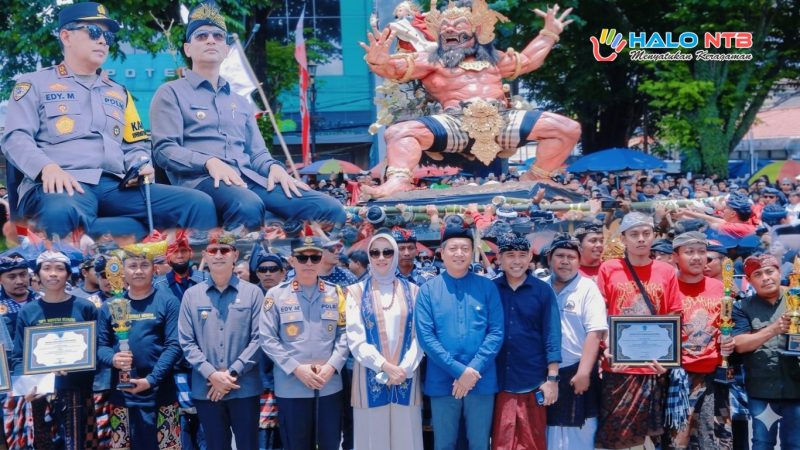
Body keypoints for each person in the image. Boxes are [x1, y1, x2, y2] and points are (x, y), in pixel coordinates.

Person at [0, 2, 217, 238]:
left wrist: (141, 165)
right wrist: (46, 168)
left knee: (198, 203)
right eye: (94, 32)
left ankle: (196, 270)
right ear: (66, 36)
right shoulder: (34, 84)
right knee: (61, 211)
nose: (103, 40)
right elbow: (15, 138)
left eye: (108, 36)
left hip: (116, 187)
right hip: (62, 184)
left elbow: (135, 145)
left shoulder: (119, 92)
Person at [150, 2, 345, 230]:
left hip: (250, 180)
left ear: (225, 50)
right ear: (187, 49)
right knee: (247, 204)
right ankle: (242, 264)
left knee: (330, 208)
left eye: (218, 36)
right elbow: (164, 150)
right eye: (201, 36)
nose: (211, 40)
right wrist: (208, 162)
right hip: (202, 182)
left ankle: (298, 262)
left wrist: (274, 168)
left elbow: (258, 153)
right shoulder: (171, 92)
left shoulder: (240, 101)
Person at [360, 2, 578, 198]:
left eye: (459, 24)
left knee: (567, 128)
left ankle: (536, 176)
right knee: (398, 132)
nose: (449, 28)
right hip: (456, 122)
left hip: (502, 119)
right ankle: (398, 181)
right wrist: (379, 62)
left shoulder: (494, 59)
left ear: (476, 30)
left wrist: (549, 33)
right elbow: (393, 69)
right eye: (444, 25)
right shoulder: (430, 59)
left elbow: (528, 60)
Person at [595, 212, 682, 449]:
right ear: (623, 239)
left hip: (654, 366)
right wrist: (607, 347)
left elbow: (673, 314)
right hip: (619, 365)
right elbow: (599, 313)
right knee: (615, 438)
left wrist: (669, 358)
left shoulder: (666, 271)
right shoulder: (609, 269)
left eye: (646, 233)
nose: (641, 239)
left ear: (654, 236)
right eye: (634, 234)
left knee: (652, 439)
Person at [415, 225, 504, 450]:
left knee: (479, 443)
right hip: (442, 379)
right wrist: (459, 371)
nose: (459, 253)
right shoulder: (427, 290)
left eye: (465, 248)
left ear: (472, 251)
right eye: (453, 248)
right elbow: (426, 338)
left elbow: (496, 332)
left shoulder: (487, 287)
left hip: (480, 377)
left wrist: (472, 371)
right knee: (444, 443)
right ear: (442, 253)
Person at [259, 236, 350, 450]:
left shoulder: (336, 293)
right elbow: (267, 338)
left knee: (330, 443)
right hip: (292, 386)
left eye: (314, 257)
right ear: (292, 261)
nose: (309, 263)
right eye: (302, 257)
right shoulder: (276, 295)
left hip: (329, 385)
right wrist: (296, 369)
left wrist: (331, 366)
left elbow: (345, 333)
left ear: (321, 259)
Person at [177, 232, 264, 450]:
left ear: (235, 255)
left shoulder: (253, 293)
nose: (219, 255)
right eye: (213, 250)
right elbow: (186, 342)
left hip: (244, 388)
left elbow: (260, 338)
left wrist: (231, 374)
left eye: (224, 250)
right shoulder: (191, 295)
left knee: (248, 445)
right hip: (207, 389)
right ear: (205, 255)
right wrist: (213, 375)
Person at [96, 243, 182, 450]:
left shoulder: (168, 302)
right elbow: (101, 346)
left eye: (144, 265)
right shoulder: (111, 305)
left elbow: (174, 345)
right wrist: (113, 359)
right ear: (123, 271)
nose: (138, 271)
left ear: (155, 269)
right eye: (132, 266)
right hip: (122, 395)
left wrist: (151, 380)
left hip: (160, 392)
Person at [345, 232, 424, 449]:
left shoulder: (414, 291)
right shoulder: (356, 292)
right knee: (372, 440)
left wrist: (404, 369)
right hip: (370, 376)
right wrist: (385, 366)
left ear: (396, 255)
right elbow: (355, 338)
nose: (381, 257)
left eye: (387, 252)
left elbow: (419, 337)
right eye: (375, 252)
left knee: (407, 439)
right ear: (369, 256)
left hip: (406, 376)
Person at [11, 251, 97, 450]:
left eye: (59, 269)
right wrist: (26, 387)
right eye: (47, 269)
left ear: (68, 274)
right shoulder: (28, 311)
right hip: (40, 393)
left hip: (78, 391)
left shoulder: (85, 308)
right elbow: (19, 356)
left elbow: (97, 349)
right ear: (38, 275)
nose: (53, 274)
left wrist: (76, 366)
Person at [492, 234, 560, 450]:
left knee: (533, 442)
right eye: (510, 255)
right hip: (497, 381)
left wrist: (552, 379)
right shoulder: (490, 290)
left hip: (534, 381)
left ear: (530, 257)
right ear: (499, 258)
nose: (517, 261)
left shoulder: (543, 291)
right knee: (501, 442)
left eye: (522, 255)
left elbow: (552, 336)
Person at [669, 232, 733, 449]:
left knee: (713, 441)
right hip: (677, 377)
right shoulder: (668, 287)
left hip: (713, 377)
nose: (697, 257)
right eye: (689, 252)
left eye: (701, 252)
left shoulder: (720, 288)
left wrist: (729, 341)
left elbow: (728, 326)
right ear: (675, 257)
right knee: (677, 441)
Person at [732, 254, 800, 450]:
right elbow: (740, 344)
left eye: (770, 271)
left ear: (780, 273)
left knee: (794, 444)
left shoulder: (796, 297)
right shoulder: (742, 307)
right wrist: (774, 329)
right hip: (762, 390)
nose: (766, 278)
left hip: (796, 389)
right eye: (758, 274)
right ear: (749, 280)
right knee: (762, 443)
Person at [545, 234, 606, 450]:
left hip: (577, 372)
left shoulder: (588, 288)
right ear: (549, 258)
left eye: (571, 256)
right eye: (559, 255)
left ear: (579, 261)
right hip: (545, 374)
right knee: (547, 432)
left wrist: (583, 373)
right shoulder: (540, 287)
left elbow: (595, 332)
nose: (565, 261)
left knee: (580, 433)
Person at [153, 231, 208, 449]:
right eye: (175, 250)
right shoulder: (158, 286)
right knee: (180, 420)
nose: (180, 254)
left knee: (206, 419)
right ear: (167, 256)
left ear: (191, 252)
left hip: (204, 361)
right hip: (174, 362)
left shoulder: (205, 280)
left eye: (184, 250)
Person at [0, 254, 41, 336]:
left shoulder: (42, 299)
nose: (19, 281)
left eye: (23, 275)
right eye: (12, 277)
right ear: (0, 280)